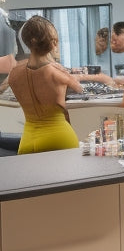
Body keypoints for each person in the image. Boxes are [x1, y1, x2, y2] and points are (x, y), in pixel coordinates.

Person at [7, 15, 83, 154]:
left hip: (27, 142)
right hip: (59, 138)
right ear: (51, 42)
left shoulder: (14, 73)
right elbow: (80, 90)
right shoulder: (57, 73)